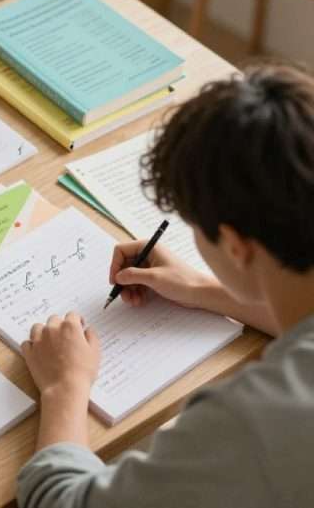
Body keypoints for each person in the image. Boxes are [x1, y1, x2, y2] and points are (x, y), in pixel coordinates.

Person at [17, 64, 314, 508]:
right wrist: (201, 288)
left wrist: (66, 387)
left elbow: (61, 501)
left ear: (235, 245)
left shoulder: (254, 422)